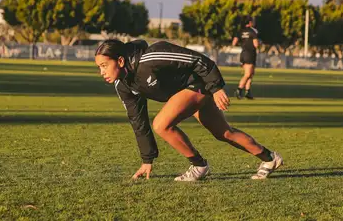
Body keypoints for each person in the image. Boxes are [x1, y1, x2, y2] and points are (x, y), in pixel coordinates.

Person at [95, 39, 283, 181]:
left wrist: (216, 87)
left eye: (104, 66)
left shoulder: (152, 57)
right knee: (224, 133)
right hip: (186, 93)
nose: (101, 72)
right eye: (99, 67)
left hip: (198, 84)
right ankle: (269, 158)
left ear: (120, 61)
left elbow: (198, 60)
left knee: (161, 124)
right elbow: (138, 120)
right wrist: (147, 159)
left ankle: (199, 165)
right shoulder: (123, 85)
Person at [232, 16, 259, 100]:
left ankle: (248, 92)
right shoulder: (253, 31)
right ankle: (239, 90)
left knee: (250, 74)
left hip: (243, 54)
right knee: (247, 74)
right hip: (250, 54)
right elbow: (256, 44)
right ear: (250, 22)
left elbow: (234, 43)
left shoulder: (240, 31)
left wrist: (243, 44)